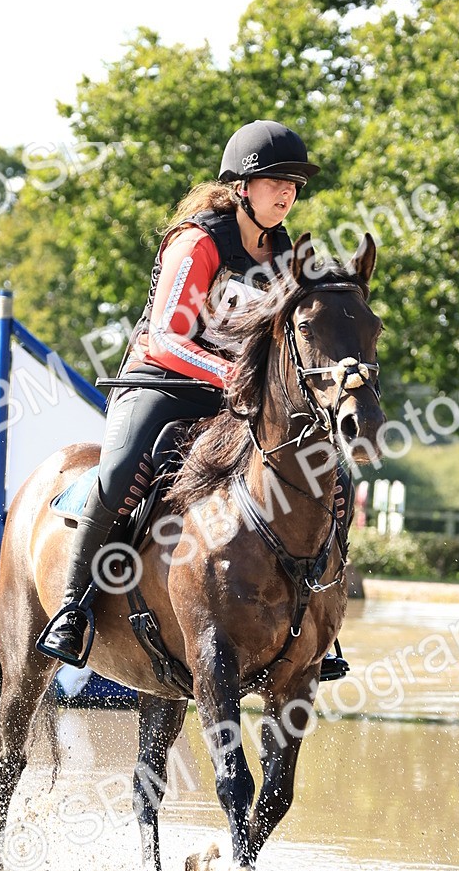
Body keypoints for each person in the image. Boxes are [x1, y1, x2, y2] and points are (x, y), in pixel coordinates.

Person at [38, 119, 348, 680]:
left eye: (294, 185)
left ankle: (320, 629)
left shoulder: (285, 253)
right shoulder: (198, 241)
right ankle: (72, 608)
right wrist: (233, 373)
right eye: (276, 181)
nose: (287, 194)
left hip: (232, 399)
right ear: (241, 187)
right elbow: (166, 337)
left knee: (323, 468)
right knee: (121, 472)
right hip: (158, 383)